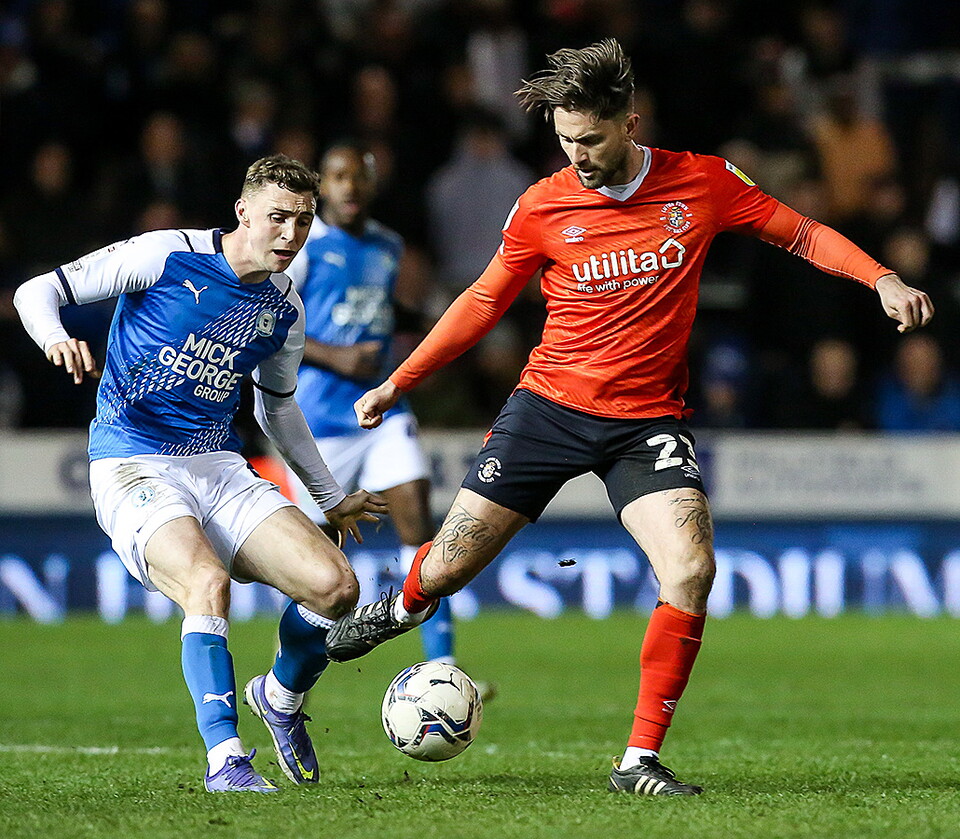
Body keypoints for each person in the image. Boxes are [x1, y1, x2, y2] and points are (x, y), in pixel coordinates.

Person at [322, 40, 934, 796]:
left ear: (629, 123)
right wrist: (398, 380)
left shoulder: (701, 182)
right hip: (547, 408)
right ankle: (402, 604)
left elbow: (800, 232)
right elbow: (484, 300)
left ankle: (637, 760)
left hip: (646, 424)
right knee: (446, 566)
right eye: (563, 139)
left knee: (692, 568)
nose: (575, 154)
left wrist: (880, 277)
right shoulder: (544, 204)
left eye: (590, 138)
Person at [13, 154, 387, 793]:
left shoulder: (284, 307)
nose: (290, 235)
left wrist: (332, 497)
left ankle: (279, 697)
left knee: (335, 589)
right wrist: (53, 335)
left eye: (302, 221)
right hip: (133, 461)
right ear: (243, 212)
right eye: (277, 218)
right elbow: (37, 291)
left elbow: (277, 405)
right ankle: (226, 762)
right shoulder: (166, 255)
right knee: (206, 582)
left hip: (218, 467)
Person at [284, 141, 456, 667]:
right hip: (319, 420)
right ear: (321, 186)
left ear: (371, 183)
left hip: (381, 411)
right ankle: (291, 674)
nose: (350, 187)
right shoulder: (305, 248)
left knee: (420, 529)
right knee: (315, 564)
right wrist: (335, 356)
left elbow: (377, 312)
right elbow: (270, 324)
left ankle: (442, 669)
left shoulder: (388, 245)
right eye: (338, 177)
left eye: (358, 177)